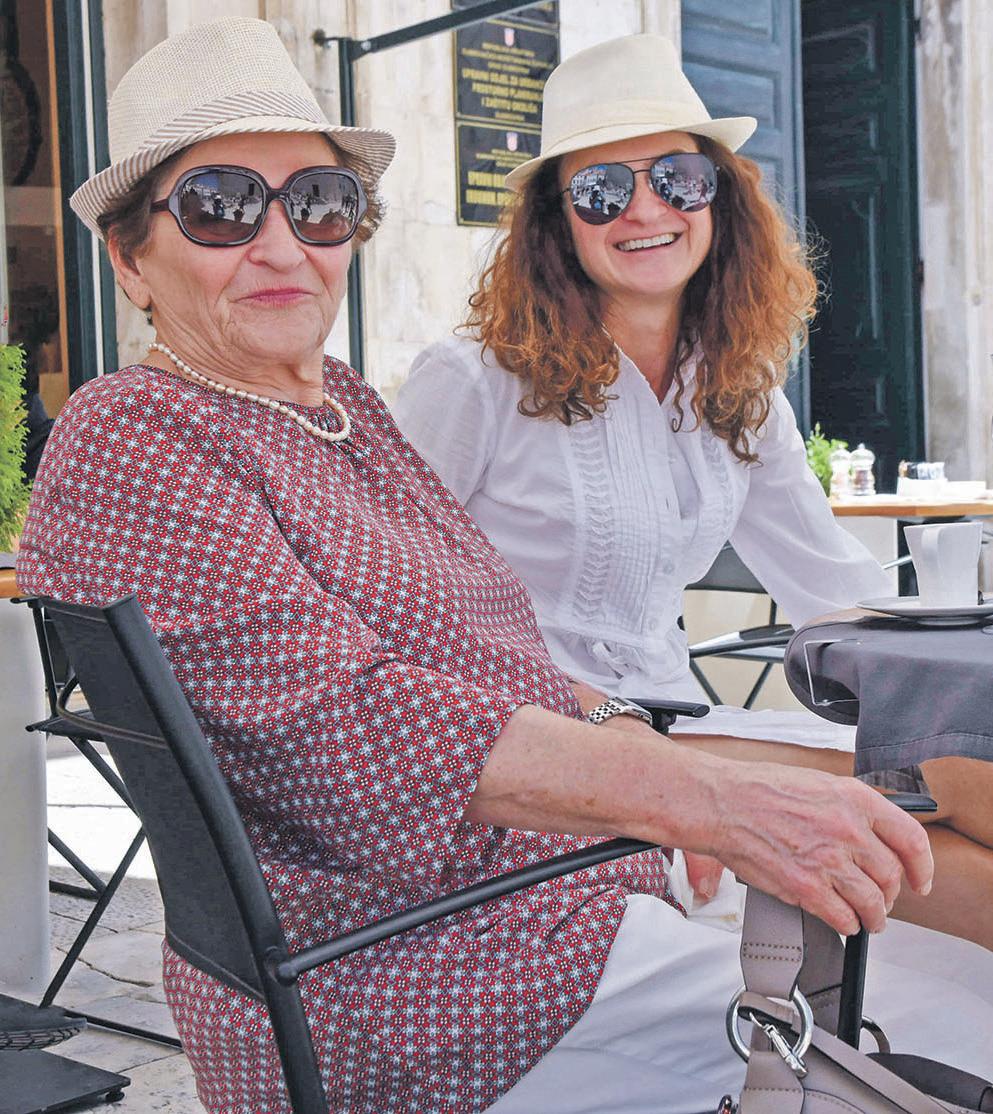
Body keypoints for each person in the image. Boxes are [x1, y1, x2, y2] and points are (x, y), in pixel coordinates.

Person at [12, 19, 982, 1114]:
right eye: (220, 206)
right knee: (963, 1015)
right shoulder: (136, 433)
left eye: (319, 204)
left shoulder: (338, 409)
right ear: (129, 258)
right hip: (434, 977)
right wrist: (709, 799)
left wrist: (625, 733)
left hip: (553, 883)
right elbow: (351, 729)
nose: (282, 245)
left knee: (954, 892)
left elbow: (488, 643)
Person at [394, 33, 993, 951]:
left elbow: (833, 590)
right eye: (601, 190)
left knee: (973, 778)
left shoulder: (736, 389)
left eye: (676, 177)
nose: (645, 209)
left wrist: (956, 669)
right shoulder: (472, 380)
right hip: (547, 745)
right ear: (556, 223)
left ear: (718, 197)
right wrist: (618, 737)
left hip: (681, 719)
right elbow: (393, 612)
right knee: (954, 858)